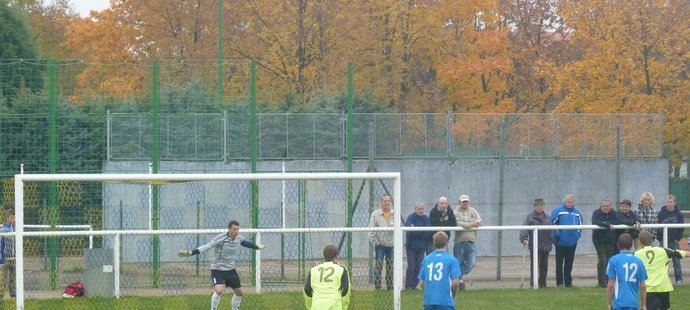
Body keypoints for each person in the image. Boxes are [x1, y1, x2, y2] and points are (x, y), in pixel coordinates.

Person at [178, 220, 264, 310]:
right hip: (217, 269)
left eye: (238, 229)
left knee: (239, 293)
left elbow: (246, 243)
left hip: (231, 270)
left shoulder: (239, 238)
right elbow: (207, 246)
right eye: (234, 229)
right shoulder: (221, 238)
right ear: (229, 229)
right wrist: (191, 252)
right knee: (219, 290)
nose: (236, 231)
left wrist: (257, 247)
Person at [634, 230, 690, 310]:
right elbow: (680, 253)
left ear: (640, 241)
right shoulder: (663, 251)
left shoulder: (637, 254)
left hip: (648, 288)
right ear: (652, 240)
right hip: (663, 287)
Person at [418, 231, 462, 310]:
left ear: (434, 243)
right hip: (445, 301)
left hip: (429, 301)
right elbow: (455, 282)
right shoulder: (452, 260)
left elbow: (421, 283)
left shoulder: (427, 259)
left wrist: (432, 291)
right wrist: (453, 294)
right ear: (447, 243)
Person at [519, 198, 554, 288]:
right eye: (538, 205)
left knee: (544, 265)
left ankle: (543, 283)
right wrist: (524, 238)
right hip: (534, 245)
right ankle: (533, 283)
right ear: (535, 206)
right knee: (535, 265)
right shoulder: (530, 217)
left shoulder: (548, 217)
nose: (540, 207)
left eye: (542, 205)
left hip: (546, 245)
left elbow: (553, 230)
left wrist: (553, 240)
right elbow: (524, 228)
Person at [606, 233, 648, 310]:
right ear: (631, 245)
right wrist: (643, 304)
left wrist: (609, 303)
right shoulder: (638, 261)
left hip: (619, 302)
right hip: (633, 303)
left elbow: (611, 284)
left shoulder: (613, 260)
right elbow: (643, 285)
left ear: (618, 245)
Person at [304, 245, 351, 310]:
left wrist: (309, 306)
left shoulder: (313, 270)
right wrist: (344, 306)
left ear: (324, 255)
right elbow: (346, 290)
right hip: (335, 305)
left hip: (317, 305)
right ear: (336, 255)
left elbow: (307, 290)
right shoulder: (342, 270)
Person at [550, 194, 582, 288]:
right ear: (565, 201)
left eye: (571, 202)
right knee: (559, 263)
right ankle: (559, 283)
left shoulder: (576, 213)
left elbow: (580, 225)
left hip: (572, 242)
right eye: (568, 202)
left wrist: (576, 236)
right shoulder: (558, 211)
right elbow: (552, 223)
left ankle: (568, 282)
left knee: (569, 263)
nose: (570, 204)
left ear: (574, 202)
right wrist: (557, 235)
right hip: (560, 242)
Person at [657, 194, 685, 285]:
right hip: (663, 241)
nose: (669, 203)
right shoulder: (661, 213)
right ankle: (662, 279)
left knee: (676, 261)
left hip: (674, 241)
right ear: (666, 202)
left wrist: (678, 238)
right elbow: (658, 227)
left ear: (674, 202)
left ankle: (679, 279)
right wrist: (659, 238)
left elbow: (682, 228)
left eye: (671, 202)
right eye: (668, 202)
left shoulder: (678, 214)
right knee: (662, 261)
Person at [369, 193, 395, 290]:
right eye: (385, 201)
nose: (387, 203)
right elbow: (371, 230)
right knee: (379, 264)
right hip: (380, 244)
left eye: (389, 201)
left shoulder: (394, 213)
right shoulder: (375, 214)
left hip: (391, 244)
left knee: (390, 265)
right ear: (381, 202)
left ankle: (390, 285)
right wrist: (376, 242)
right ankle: (377, 285)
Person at [453, 194, 481, 280]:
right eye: (463, 202)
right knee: (458, 263)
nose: (465, 203)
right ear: (459, 202)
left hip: (470, 241)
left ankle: (457, 277)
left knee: (471, 263)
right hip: (459, 242)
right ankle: (457, 282)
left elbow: (479, 221)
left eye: (466, 201)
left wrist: (474, 223)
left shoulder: (472, 210)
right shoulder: (455, 212)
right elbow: (457, 223)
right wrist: (470, 224)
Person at [592, 199, 619, 288]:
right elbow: (596, 222)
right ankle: (601, 282)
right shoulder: (596, 213)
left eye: (607, 206)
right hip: (599, 241)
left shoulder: (613, 213)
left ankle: (609, 281)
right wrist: (607, 225)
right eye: (604, 206)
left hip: (610, 241)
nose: (606, 208)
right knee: (602, 260)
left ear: (610, 206)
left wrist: (606, 223)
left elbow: (617, 221)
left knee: (609, 261)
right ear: (601, 206)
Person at [404, 202, 430, 290]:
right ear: (415, 209)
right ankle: (407, 285)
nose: (421, 211)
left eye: (422, 209)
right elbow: (409, 230)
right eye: (419, 209)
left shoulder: (426, 218)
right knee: (411, 265)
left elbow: (428, 232)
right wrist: (419, 231)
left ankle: (414, 285)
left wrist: (416, 231)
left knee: (419, 266)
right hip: (411, 246)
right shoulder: (411, 217)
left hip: (421, 246)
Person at [0, 209, 16, 299]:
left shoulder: (16, 228)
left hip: (14, 258)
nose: (13, 219)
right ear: (7, 218)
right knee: (3, 278)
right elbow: (1, 246)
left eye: (14, 217)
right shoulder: (4, 230)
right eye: (12, 217)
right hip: (5, 258)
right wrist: (1, 259)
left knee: (13, 277)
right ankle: (1, 294)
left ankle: (12, 293)